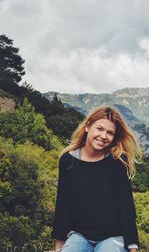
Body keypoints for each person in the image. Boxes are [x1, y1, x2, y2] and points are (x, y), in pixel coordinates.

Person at [51, 106, 142, 252]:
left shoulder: (117, 161)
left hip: (113, 237)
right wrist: (59, 244)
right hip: (79, 235)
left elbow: (126, 207)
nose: (104, 136)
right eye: (99, 129)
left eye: (110, 133)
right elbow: (63, 203)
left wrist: (132, 246)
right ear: (88, 127)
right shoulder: (68, 160)